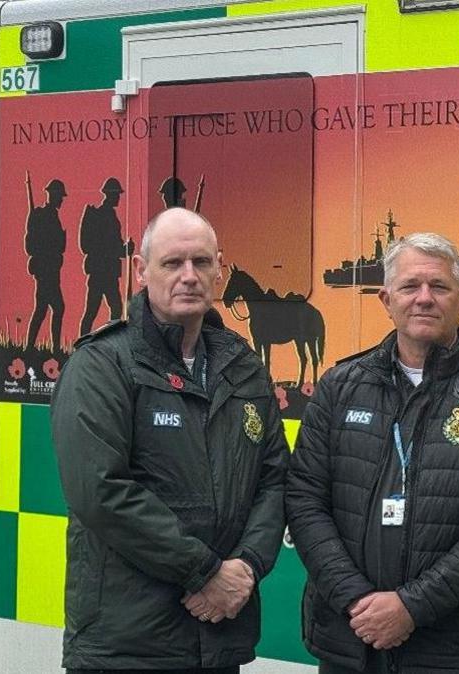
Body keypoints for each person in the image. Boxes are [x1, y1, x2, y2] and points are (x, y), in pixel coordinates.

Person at [287, 233, 459, 673]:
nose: (424, 298)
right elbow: (304, 498)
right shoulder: (340, 386)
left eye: (438, 287)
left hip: (451, 649)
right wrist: (357, 601)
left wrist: (410, 607)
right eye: (410, 287)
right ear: (386, 299)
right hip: (350, 640)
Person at [51, 208, 289, 673]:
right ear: (141, 271)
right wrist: (206, 573)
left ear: (220, 269)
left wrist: (246, 568)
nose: (189, 276)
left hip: (219, 638)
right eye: (172, 263)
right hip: (127, 645)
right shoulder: (103, 365)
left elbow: (275, 479)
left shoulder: (241, 367)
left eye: (201, 263)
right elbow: (100, 491)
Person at [79, 177, 131, 334]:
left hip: (104, 271)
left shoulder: (109, 216)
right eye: (116, 195)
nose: (118, 198)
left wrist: (125, 249)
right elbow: (109, 247)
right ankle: (87, 343)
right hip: (103, 271)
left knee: (102, 309)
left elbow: (113, 247)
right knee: (97, 310)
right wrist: (125, 250)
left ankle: (88, 342)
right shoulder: (105, 217)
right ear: (110, 195)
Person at [25, 178, 67, 350]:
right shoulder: (40, 215)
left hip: (51, 269)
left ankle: (33, 347)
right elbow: (30, 245)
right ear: (52, 195)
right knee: (54, 307)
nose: (61, 200)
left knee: (44, 309)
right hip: (45, 270)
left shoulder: (50, 215)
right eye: (59, 196)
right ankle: (53, 348)